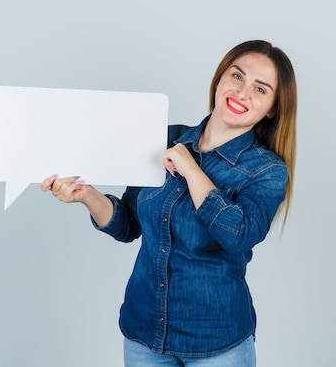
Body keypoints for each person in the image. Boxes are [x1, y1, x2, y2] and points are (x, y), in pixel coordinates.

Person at [41, 40, 297, 367]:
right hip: (144, 332)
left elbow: (238, 234)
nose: (243, 92)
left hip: (217, 342)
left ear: (273, 107)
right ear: (219, 79)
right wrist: (87, 195)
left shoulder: (267, 171)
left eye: (260, 89)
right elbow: (128, 225)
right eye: (237, 76)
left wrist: (190, 167)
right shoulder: (162, 137)